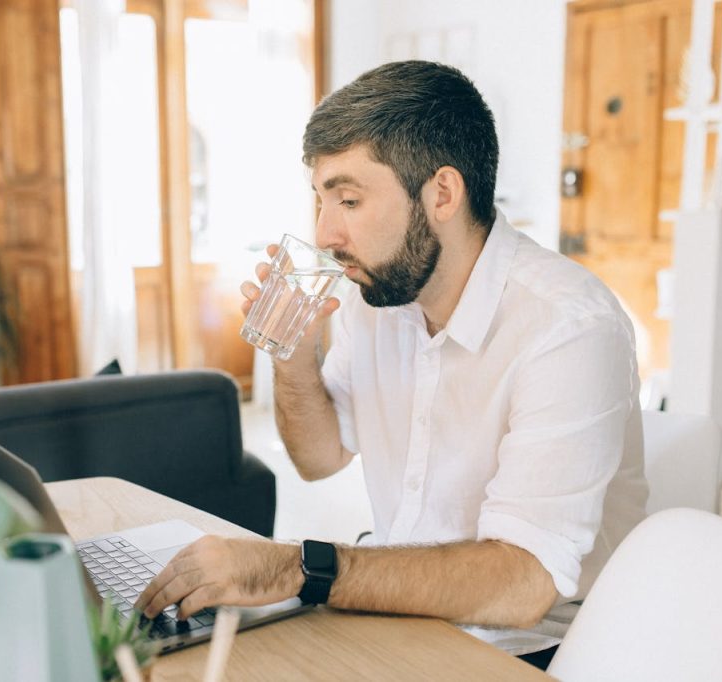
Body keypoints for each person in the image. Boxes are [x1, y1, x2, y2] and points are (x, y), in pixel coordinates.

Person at [135, 61, 647, 669]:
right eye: (320, 201)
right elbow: (319, 458)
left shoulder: (567, 327)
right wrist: (293, 360)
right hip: (398, 612)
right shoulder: (376, 301)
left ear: (442, 194)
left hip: (531, 647)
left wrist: (299, 567)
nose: (325, 233)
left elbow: (523, 583)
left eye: (348, 199)